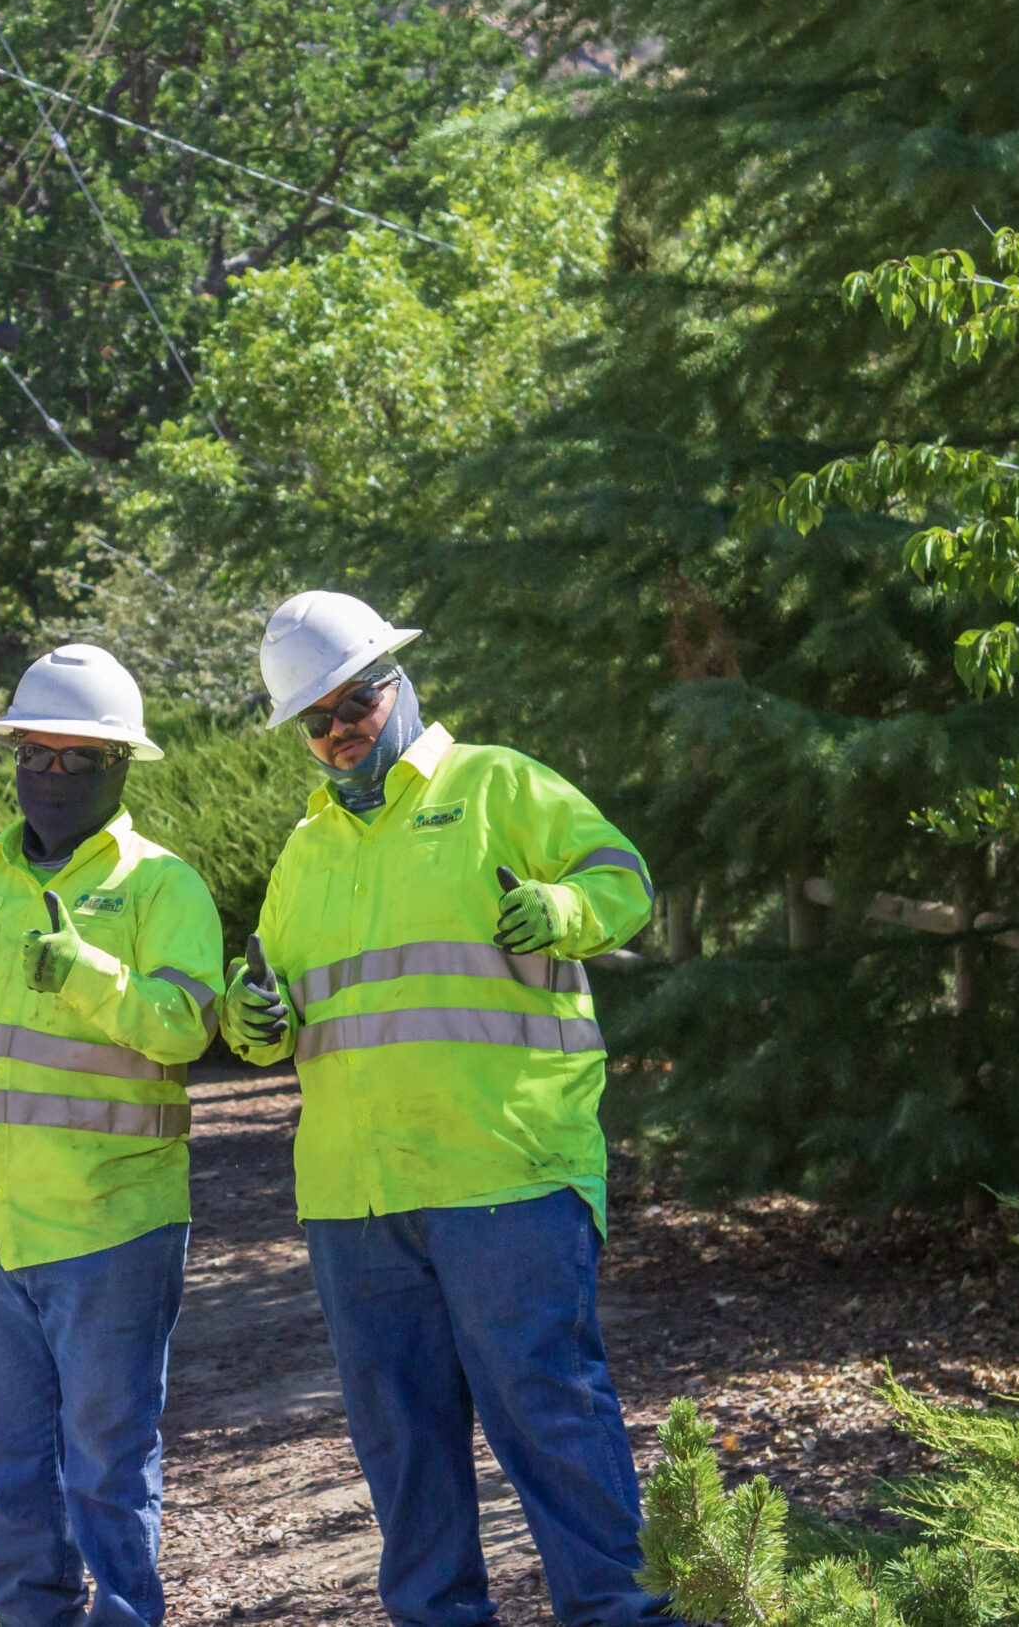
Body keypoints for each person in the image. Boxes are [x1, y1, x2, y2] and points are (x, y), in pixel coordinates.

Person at [219, 591, 672, 1627]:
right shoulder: (305, 853)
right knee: (402, 1448)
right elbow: (275, 1018)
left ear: (400, 682)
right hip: (356, 1197)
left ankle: (621, 1617)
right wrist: (249, 1024)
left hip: (506, 1175)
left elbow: (624, 879)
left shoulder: (497, 785)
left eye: (357, 704)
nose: (341, 732)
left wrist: (565, 909)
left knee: (549, 1419)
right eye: (318, 721)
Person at [0, 643, 221, 1627]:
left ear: (119, 768)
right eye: (36, 755)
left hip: (115, 1231)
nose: (51, 778)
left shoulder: (162, 888)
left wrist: (87, 973)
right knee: (15, 1474)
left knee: (107, 1469)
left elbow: (191, 1027)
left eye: (78, 761)